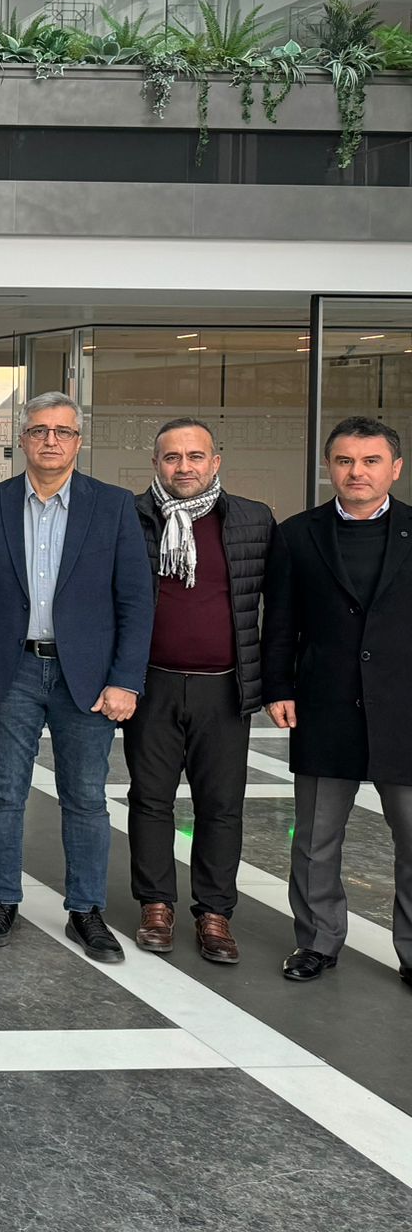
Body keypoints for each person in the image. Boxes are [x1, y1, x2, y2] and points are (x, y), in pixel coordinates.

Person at [0, 391, 154, 963]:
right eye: (40, 430)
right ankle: (1, 902)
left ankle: (85, 910)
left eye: (62, 431)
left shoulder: (112, 505)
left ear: (78, 442)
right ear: (23, 439)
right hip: (8, 670)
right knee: (2, 792)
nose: (51, 441)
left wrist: (126, 680)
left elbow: (136, 601)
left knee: (85, 797)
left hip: (85, 676)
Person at [263, 416, 412, 988]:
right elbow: (280, 622)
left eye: (371, 461)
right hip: (324, 706)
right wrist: (278, 686)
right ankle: (317, 941)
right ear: (329, 467)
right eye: (345, 461)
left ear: (395, 469)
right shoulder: (297, 535)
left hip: (404, 712)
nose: (357, 472)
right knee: (315, 841)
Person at [127, 418, 272, 964]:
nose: (183, 467)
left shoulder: (253, 520)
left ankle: (214, 913)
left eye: (194, 456)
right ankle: (155, 905)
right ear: (155, 464)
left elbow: (278, 605)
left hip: (224, 690)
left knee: (221, 807)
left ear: (215, 462)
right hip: (152, 685)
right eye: (172, 457)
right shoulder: (131, 517)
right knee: (150, 800)